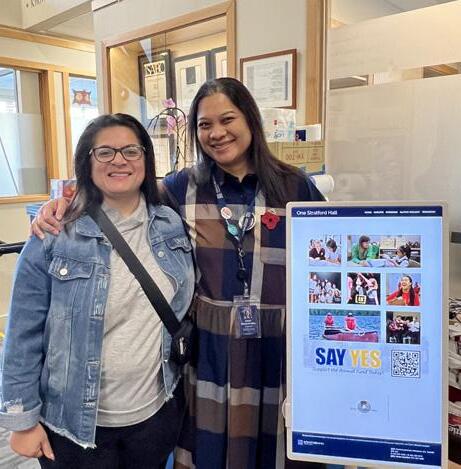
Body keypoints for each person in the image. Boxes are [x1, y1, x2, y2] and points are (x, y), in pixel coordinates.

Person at [31, 78, 325, 468]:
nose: (217, 133)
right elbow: (121, 195)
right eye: (205, 125)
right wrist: (64, 202)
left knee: (278, 446)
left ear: (250, 120)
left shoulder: (295, 185)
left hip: (279, 342)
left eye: (227, 119)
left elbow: (331, 250)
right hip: (210, 348)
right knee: (210, 450)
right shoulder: (181, 187)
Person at [0, 114, 195, 469]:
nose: (119, 160)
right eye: (105, 152)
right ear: (86, 163)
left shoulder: (171, 225)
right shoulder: (55, 234)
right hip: (75, 427)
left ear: (146, 159)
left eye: (131, 151)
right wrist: (22, 420)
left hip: (156, 414)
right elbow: (22, 334)